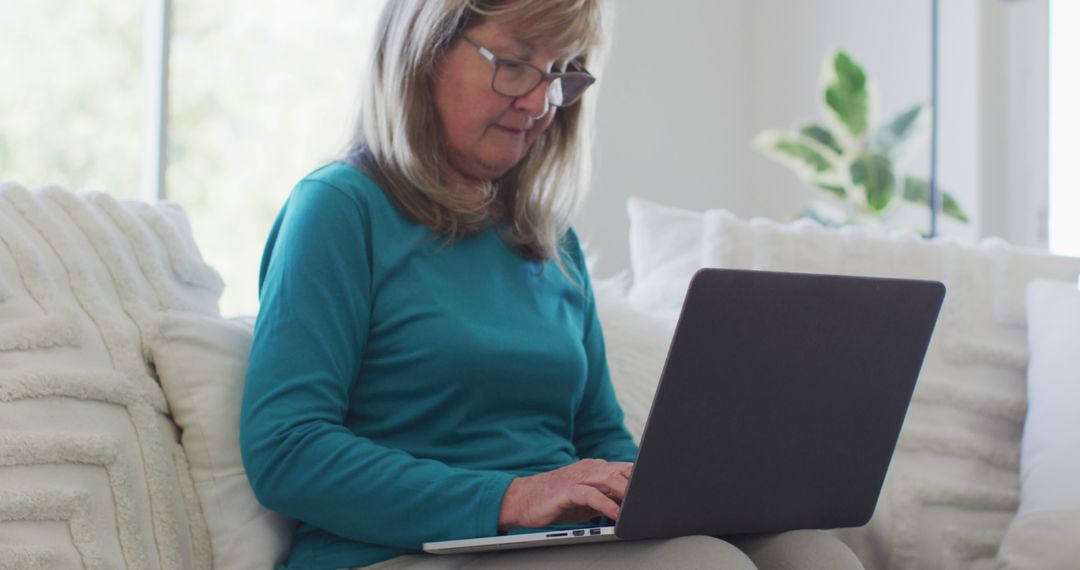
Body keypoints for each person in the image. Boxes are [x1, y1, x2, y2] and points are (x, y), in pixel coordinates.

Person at [239, 1, 866, 569]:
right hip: (389, 550)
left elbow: (599, 438)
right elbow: (287, 450)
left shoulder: (549, 242)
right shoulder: (339, 209)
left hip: (540, 545)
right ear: (422, 54)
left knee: (816, 556)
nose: (540, 103)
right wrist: (514, 497)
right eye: (514, 65)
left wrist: (671, 490)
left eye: (561, 71)